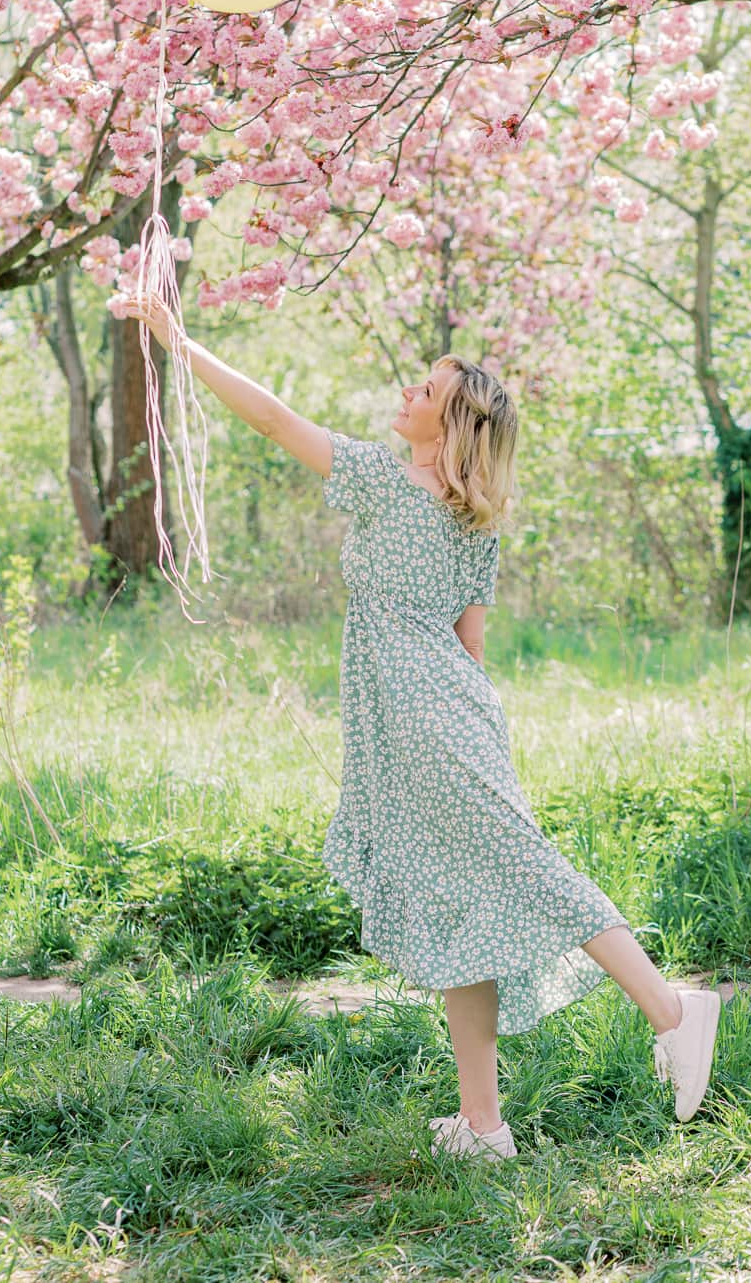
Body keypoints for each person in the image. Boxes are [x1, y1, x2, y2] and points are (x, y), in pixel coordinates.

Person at [119, 289, 720, 1161]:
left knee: (524, 865)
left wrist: (180, 342)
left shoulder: (381, 479)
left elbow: (273, 416)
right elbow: (470, 646)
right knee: (459, 907)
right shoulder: (474, 516)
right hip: (438, 714)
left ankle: (673, 1010)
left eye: (425, 390)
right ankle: (484, 1128)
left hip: (430, 719)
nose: (407, 394)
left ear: (452, 419)